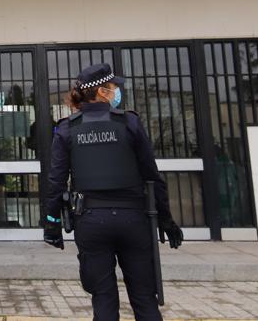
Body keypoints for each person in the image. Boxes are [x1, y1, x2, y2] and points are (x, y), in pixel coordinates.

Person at [44, 63, 184, 321]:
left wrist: (52, 225)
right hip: (134, 221)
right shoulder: (129, 122)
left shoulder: (67, 128)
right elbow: (152, 176)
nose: (117, 90)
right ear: (102, 91)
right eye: (113, 86)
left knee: (104, 300)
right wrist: (166, 220)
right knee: (144, 299)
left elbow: (56, 182)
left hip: (91, 221)